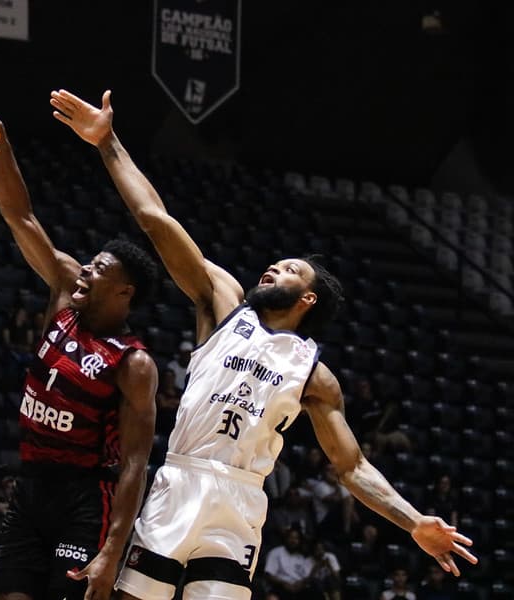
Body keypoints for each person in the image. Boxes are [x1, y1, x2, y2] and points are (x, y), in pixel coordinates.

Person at [50, 88, 478, 599]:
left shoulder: (314, 374)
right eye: (275, 263)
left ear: (309, 299)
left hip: (240, 502)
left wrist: (412, 523)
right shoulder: (223, 304)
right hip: (182, 480)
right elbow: (156, 220)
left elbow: (352, 466)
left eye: (290, 269)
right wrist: (107, 142)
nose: (274, 266)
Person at [0, 114, 159, 600]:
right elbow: (21, 216)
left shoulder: (132, 363)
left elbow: (135, 466)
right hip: (31, 487)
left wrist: (111, 551)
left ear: (124, 292)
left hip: (85, 497)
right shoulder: (63, 294)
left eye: (97, 269)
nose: (84, 272)